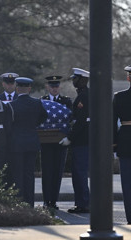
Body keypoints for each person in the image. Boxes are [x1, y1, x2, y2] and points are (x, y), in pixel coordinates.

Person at [8, 77, 48, 207]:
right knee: (29, 174)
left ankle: (19, 203)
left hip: (16, 143)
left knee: (18, 174)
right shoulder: (37, 103)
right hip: (32, 142)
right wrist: (33, 125)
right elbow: (44, 116)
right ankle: (30, 203)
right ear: (29, 89)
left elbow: (8, 123)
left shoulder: (11, 105)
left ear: (17, 88)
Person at [113, 64, 131, 224]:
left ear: (128, 78)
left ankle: (130, 218)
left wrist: (113, 145)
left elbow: (112, 123)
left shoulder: (119, 97)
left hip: (125, 142)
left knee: (127, 185)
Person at [59, 68, 90, 213]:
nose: (73, 81)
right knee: (79, 173)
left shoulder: (83, 97)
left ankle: (83, 204)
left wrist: (69, 138)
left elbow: (81, 121)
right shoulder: (83, 95)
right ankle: (83, 203)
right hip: (83, 140)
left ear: (81, 80)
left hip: (82, 141)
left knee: (79, 173)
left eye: (75, 79)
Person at [41, 75, 72, 210]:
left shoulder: (66, 101)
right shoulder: (42, 101)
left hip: (60, 142)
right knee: (46, 172)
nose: (54, 89)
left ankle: (53, 200)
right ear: (48, 87)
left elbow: (71, 119)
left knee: (57, 172)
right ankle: (46, 200)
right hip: (46, 142)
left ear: (60, 87)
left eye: (56, 86)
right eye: (52, 86)